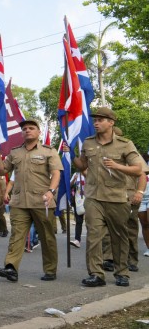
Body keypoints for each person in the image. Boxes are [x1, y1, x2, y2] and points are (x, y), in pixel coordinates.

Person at [69, 107, 146, 288]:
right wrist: (70, 154)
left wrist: (118, 166)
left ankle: (122, 273)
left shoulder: (125, 144)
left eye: (100, 120)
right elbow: (82, 165)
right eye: (95, 120)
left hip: (116, 197)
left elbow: (138, 169)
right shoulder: (88, 143)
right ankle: (96, 274)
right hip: (93, 197)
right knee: (94, 235)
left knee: (119, 236)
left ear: (111, 123)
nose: (96, 123)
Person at [0, 118, 62, 283]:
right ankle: (11, 268)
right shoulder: (15, 152)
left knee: (47, 237)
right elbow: (2, 171)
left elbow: (56, 173)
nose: (27, 130)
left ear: (39, 132)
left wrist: (51, 191)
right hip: (19, 202)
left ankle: (50, 269)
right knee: (17, 235)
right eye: (24, 129)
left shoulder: (48, 151)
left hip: (42, 201)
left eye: (31, 128)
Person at [70, 170, 87, 248]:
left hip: (89, 200)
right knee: (79, 221)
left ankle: (92, 240)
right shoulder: (76, 174)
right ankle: (77, 240)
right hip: (78, 201)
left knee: (90, 221)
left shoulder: (90, 172)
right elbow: (70, 185)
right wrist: (74, 179)